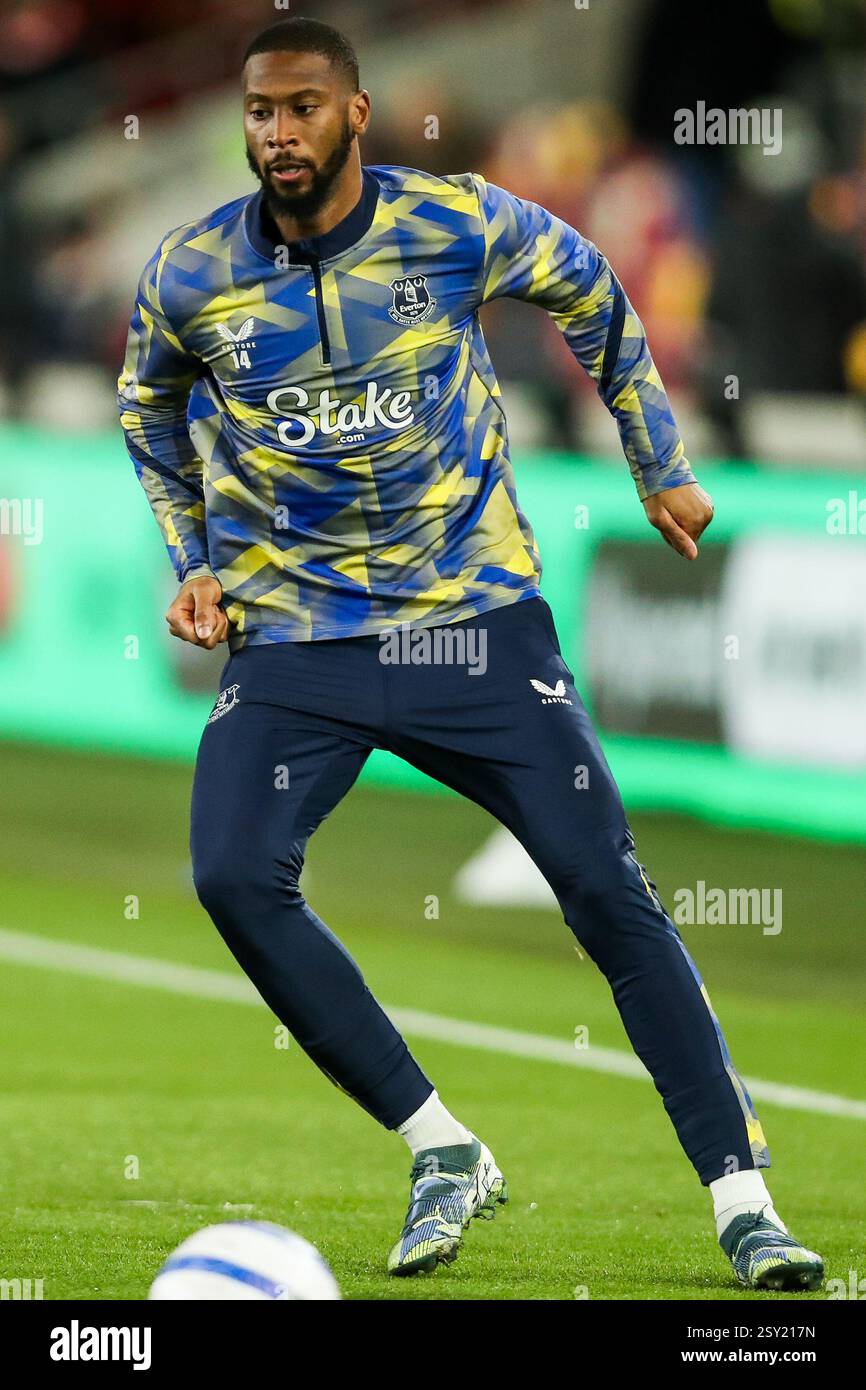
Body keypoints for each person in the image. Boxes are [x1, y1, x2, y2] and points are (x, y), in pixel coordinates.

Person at [117, 16, 822, 1289]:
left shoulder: (452, 224)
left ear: (356, 114)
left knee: (607, 893)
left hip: (474, 626)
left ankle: (741, 1199)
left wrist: (656, 460)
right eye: (259, 112)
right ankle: (441, 1146)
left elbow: (594, 293)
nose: (276, 133)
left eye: (301, 109)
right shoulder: (190, 272)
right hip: (296, 640)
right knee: (231, 872)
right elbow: (145, 408)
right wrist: (195, 562)